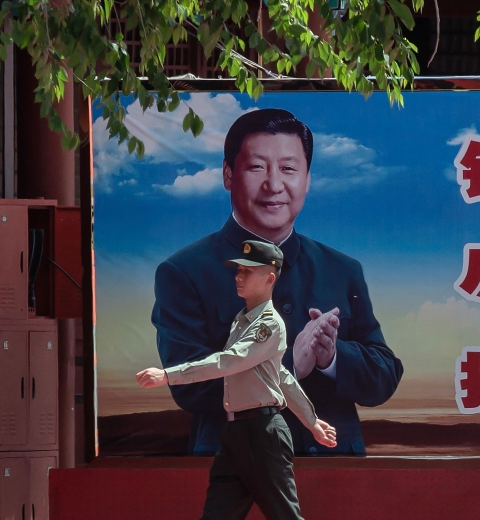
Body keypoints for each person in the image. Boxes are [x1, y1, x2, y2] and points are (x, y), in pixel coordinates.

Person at [127, 240, 342, 520]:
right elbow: (282, 376)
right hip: (238, 435)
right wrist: (312, 420)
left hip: (261, 435)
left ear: (270, 277)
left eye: (247, 270)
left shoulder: (268, 324)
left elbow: (227, 362)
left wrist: (169, 375)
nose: (238, 275)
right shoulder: (245, 319)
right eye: (238, 269)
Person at [152, 108, 403, 456]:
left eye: (288, 169)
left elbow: (384, 378)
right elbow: (189, 386)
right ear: (228, 174)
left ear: (307, 179)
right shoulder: (184, 272)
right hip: (236, 469)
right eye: (257, 167)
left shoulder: (342, 269)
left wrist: (331, 357)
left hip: (336, 469)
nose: (274, 185)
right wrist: (291, 366)